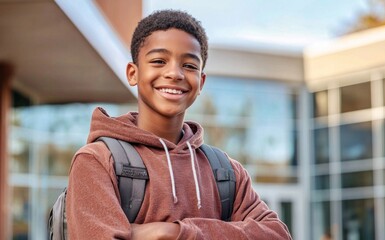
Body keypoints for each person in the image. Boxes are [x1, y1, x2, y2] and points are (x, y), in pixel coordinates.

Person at [66, 9, 292, 239]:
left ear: (201, 81)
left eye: (190, 66)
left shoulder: (226, 172)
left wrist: (173, 232)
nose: (174, 73)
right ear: (133, 73)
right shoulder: (97, 161)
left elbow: (276, 235)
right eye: (158, 61)